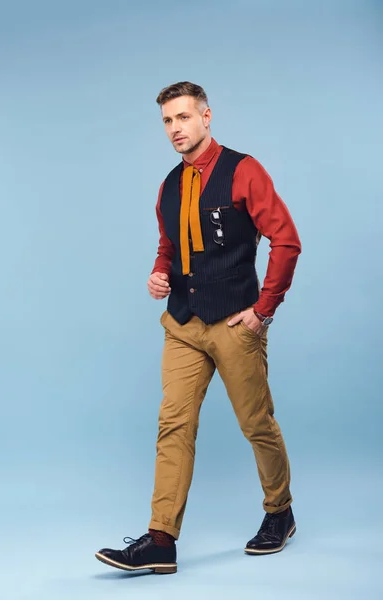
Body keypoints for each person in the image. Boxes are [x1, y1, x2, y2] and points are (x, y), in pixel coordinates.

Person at [95, 81, 302, 574]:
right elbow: (169, 244)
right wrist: (158, 273)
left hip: (235, 322)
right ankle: (161, 539)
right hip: (183, 324)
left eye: (183, 118)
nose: (175, 129)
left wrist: (264, 309)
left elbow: (286, 241)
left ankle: (280, 512)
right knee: (174, 426)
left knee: (256, 423)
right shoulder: (169, 185)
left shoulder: (243, 170)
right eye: (167, 121)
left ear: (206, 117)